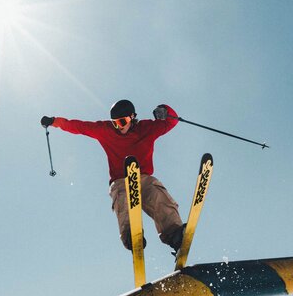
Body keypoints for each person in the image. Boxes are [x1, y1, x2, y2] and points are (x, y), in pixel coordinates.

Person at [41, 99, 186, 252]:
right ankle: (131, 235)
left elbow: (172, 121)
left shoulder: (146, 128)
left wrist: (164, 111)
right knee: (123, 198)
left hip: (143, 178)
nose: (118, 127)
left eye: (122, 122)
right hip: (120, 180)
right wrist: (54, 121)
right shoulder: (106, 130)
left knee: (156, 193)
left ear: (132, 117)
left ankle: (174, 233)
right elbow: (79, 126)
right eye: (115, 123)